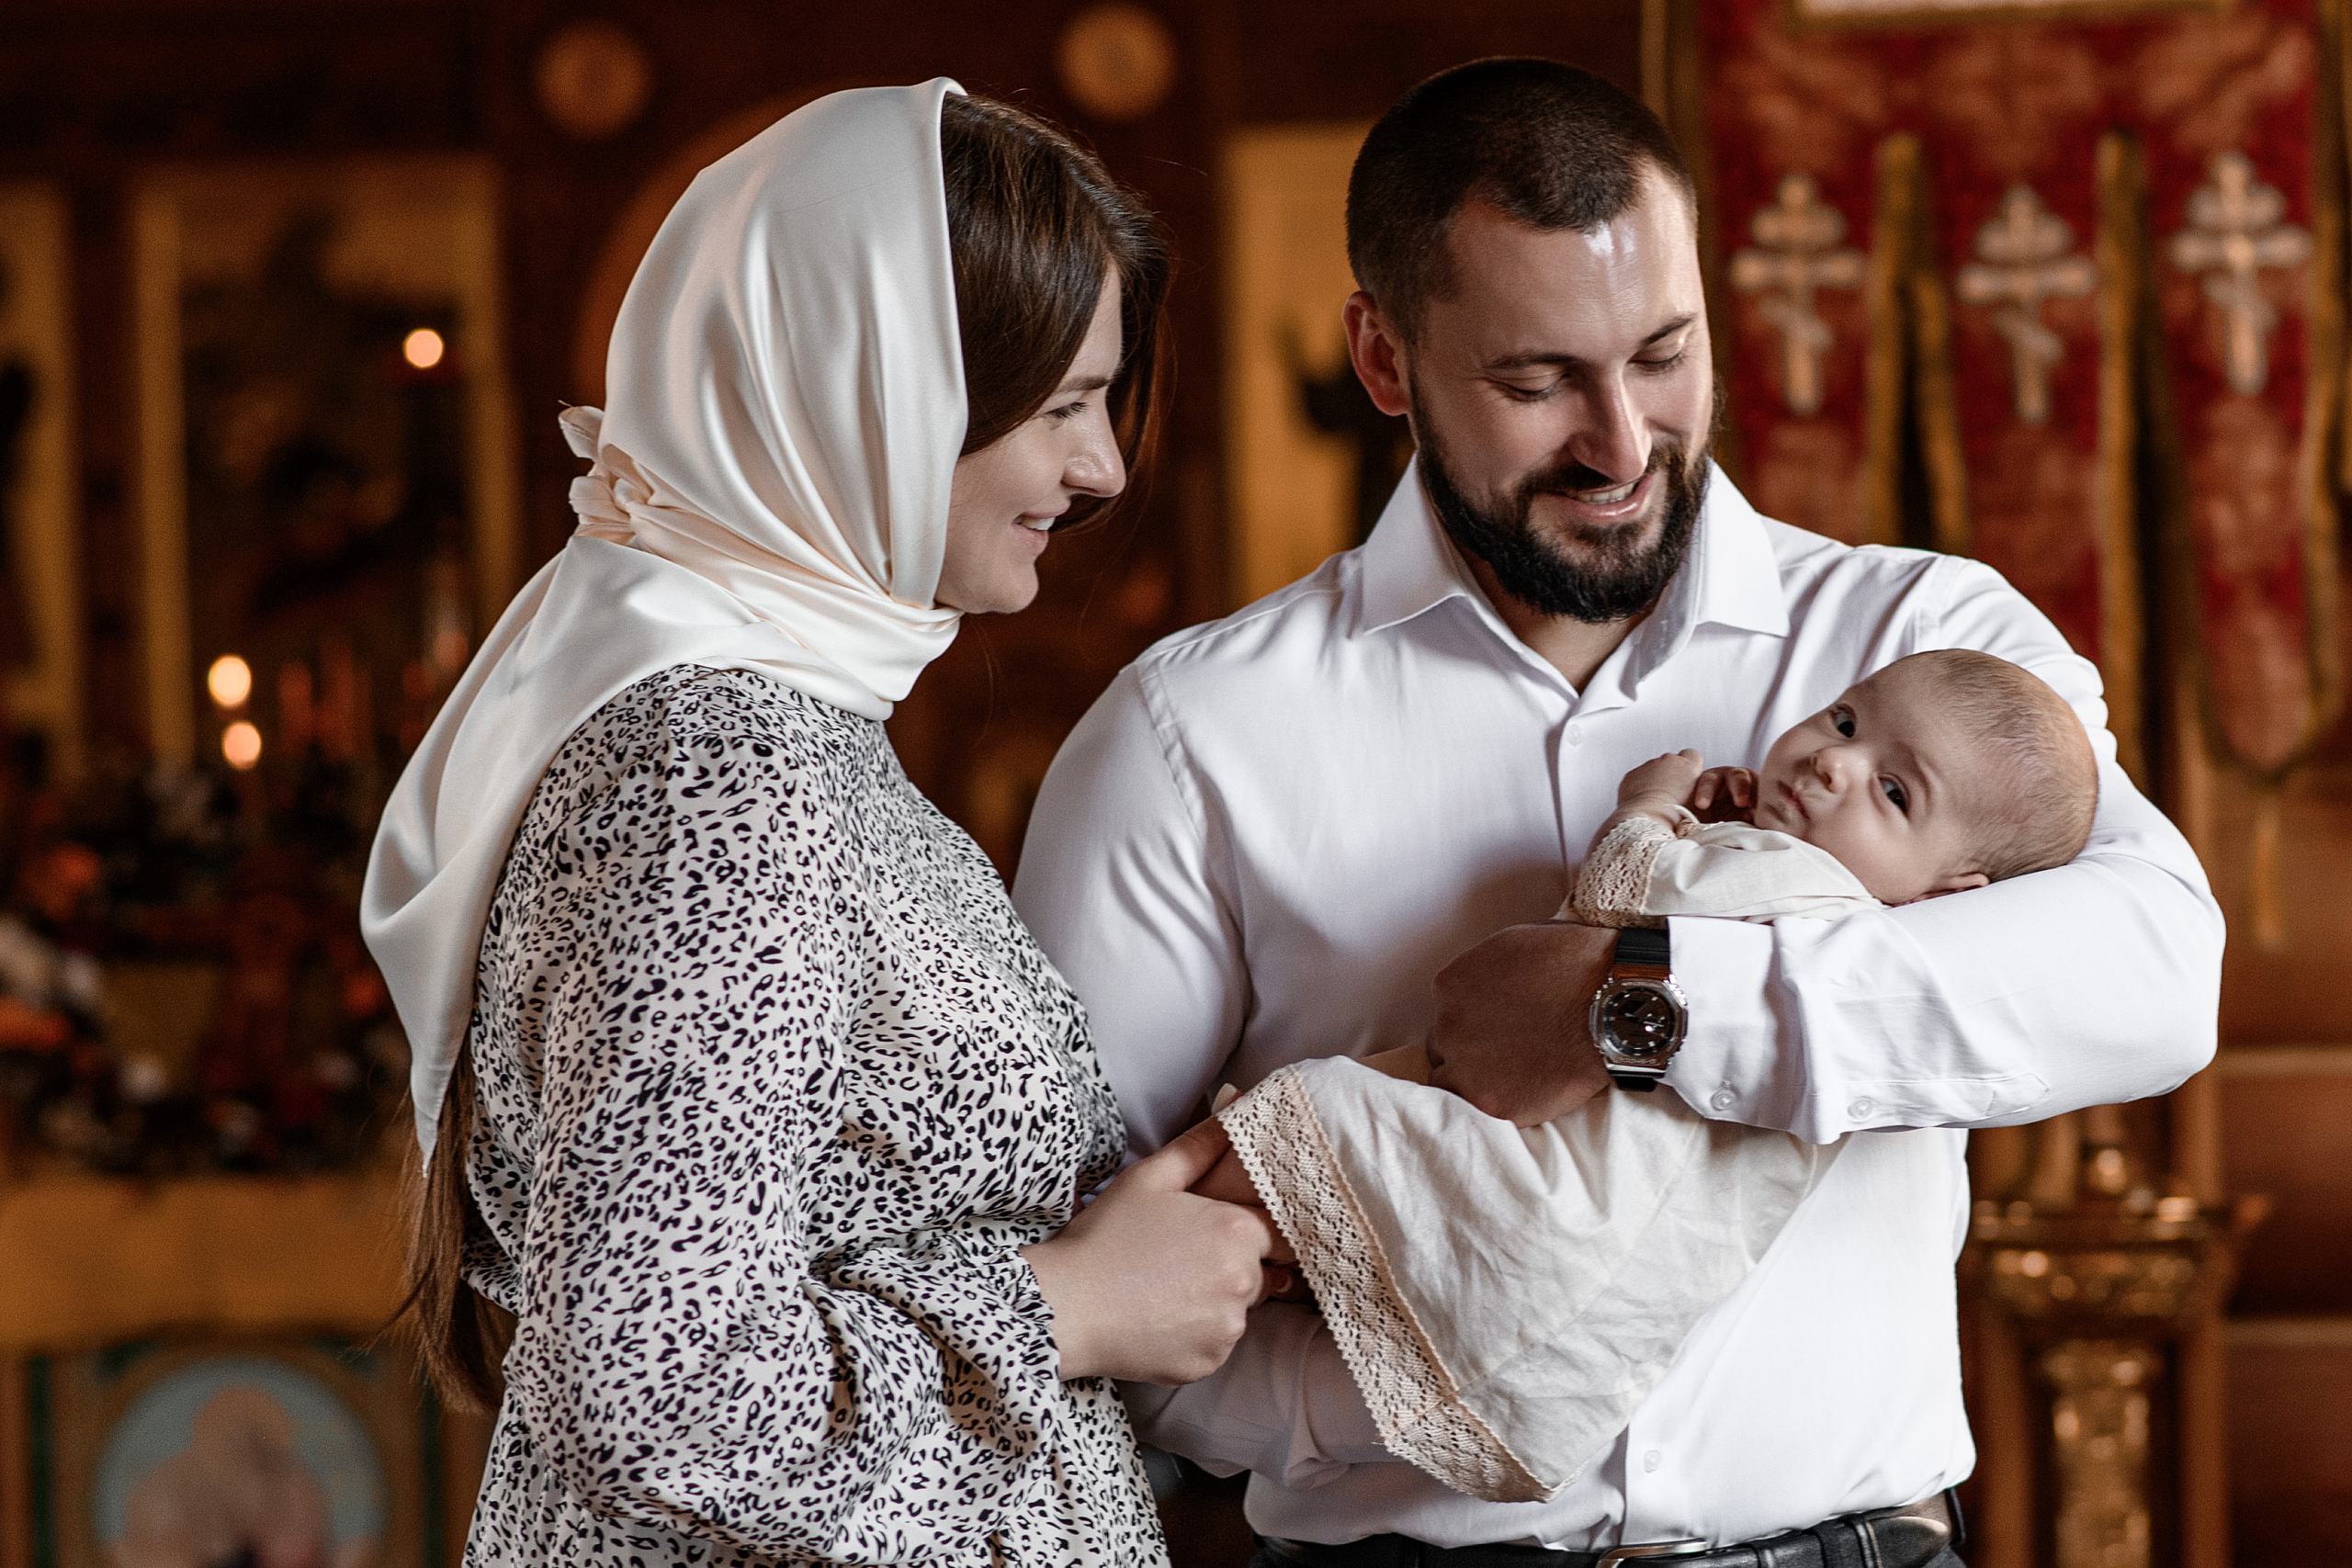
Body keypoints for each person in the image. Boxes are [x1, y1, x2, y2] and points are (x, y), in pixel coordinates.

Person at [1012, 58, 2218, 1564]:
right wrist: (1450, 1385)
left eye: (1664, 354)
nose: (1624, 440)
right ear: (1383, 361)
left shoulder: (1924, 642)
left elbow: (2157, 973)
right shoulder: (1188, 737)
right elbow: (1088, 1260)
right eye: (1537, 382)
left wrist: (1638, 1001)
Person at [362, 82, 1285, 1568]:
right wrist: (1071, 1303)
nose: (1102, 468)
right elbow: (657, 1381)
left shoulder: (775, 728)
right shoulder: (717, 764)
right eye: (1060, 406)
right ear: (875, 388)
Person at [1189, 649, 2101, 1506]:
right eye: (1846, 721)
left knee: (1319, 1113)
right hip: (1605, 1283)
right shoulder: (1846, 931)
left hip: (1558, 1206)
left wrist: (1648, 810)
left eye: (1892, 791)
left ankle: (1169, 1276)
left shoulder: (1797, 887)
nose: (1832, 765)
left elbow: (1622, 897)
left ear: (1949, 893)